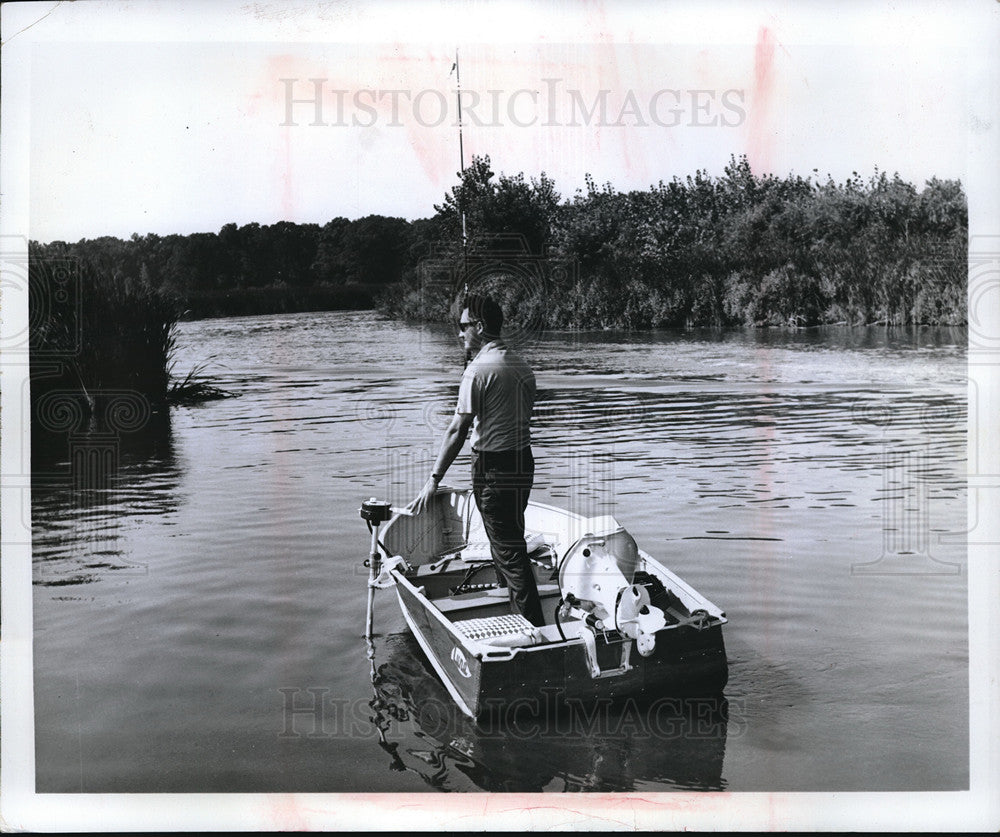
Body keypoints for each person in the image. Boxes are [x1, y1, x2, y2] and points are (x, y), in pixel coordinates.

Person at [410, 293, 544, 627]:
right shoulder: (522, 366)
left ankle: (536, 631)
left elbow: (458, 429)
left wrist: (434, 478)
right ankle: (508, 601)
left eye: (463, 326)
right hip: (522, 463)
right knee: (511, 536)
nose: (459, 333)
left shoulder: (477, 370)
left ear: (479, 327)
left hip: (494, 469)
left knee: (511, 553)